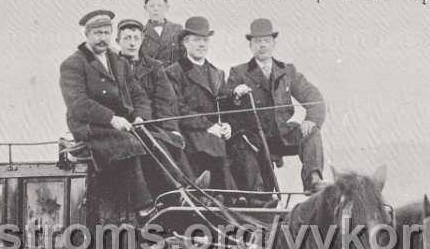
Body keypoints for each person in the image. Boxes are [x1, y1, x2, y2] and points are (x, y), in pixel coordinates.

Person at [59, 10, 157, 224]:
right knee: (129, 143)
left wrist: (140, 117)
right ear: (87, 35)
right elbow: (78, 105)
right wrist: (112, 118)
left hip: (119, 124)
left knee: (156, 138)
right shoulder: (73, 64)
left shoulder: (118, 61)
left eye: (106, 32)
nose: (103, 38)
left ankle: (179, 192)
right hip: (90, 127)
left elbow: (138, 93)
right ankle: (143, 206)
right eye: (97, 33)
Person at [226, 18, 327, 193]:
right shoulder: (238, 72)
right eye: (257, 41)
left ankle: (313, 179)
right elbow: (226, 103)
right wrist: (236, 95)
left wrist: (311, 120)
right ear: (250, 45)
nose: (262, 45)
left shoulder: (287, 71)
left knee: (312, 132)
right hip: (255, 138)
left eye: (266, 41)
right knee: (263, 190)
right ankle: (258, 195)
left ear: (274, 44)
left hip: (283, 135)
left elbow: (314, 97)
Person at [116, 18, 210, 198]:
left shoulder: (155, 66)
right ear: (118, 41)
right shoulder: (113, 67)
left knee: (172, 141)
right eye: (127, 38)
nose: (132, 42)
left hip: (154, 124)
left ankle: (193, 191)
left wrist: (171, 130)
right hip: (127, 127)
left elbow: (166, 101)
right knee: (155, 142)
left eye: (136, 37)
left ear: (142, 39)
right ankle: (185, 192)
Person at [165, 16, 237, 194]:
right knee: (210, 142)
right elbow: (177, 108)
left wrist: (227, 125)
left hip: (214, 131)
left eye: (205, 40)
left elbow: (223, 105)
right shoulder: (174, 71)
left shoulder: (217, 73)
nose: (202, 44)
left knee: (243, 143)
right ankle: (224, 194)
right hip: (190, 130)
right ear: (185, 43)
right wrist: (208, 125)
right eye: (197, 40)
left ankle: (246, 196)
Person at [140, 0, 183, 68]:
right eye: (151, 6)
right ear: (145, 8)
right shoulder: (141, 33)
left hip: (174, 79)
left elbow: (185, 59)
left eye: (160, 5)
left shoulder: (177, 30)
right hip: (151, 79)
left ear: (166, 7)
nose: (155, 9)